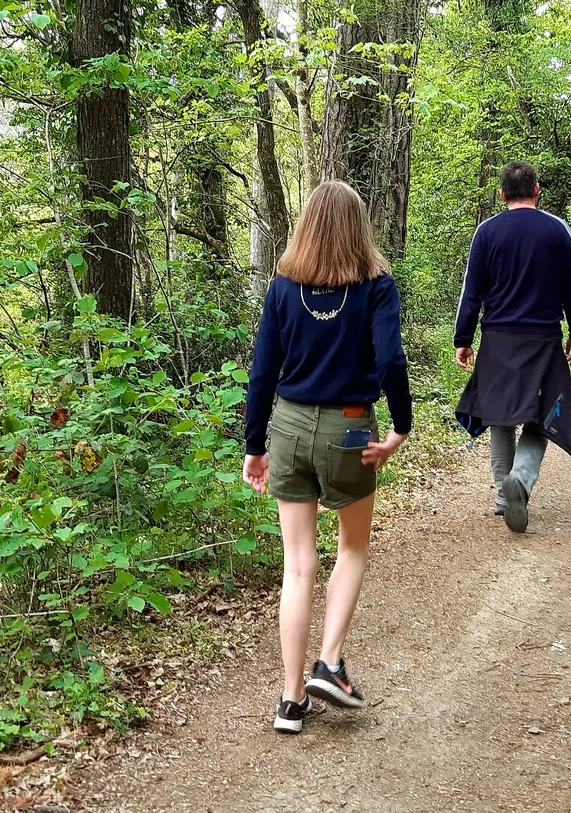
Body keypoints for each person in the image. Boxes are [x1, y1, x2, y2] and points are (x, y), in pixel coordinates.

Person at [242, 180, 413, 735]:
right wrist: (400, 428)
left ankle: (291, 701)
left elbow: (262, 371)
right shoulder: (376, 285)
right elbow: (390, 360)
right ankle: (330, 664)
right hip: (350, 426)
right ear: (358, 227)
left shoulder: (282, 287)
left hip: (289, 426)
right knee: (352, 547)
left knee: (297, 565)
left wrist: (254, 445)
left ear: (307, 226)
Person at [453, 161, 571, 534]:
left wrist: (463, 339)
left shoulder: (486, 232)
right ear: (537, 190)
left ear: (501, 194)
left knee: (499, 416)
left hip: (498, 339)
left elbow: (472, 292)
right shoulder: (557, 230)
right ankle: (521, 480)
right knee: (542, 414)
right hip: (543, 339)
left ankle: (503, 495)